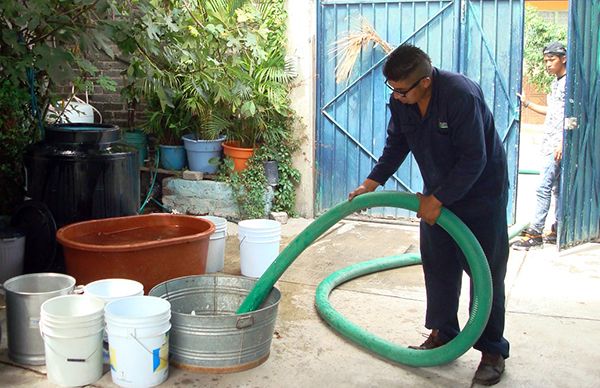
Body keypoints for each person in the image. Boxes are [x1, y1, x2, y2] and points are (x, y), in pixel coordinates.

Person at [348, 44, 509, 386]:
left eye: (401, 89)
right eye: (391, 88)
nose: (396, 95)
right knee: (438, 264)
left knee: (486, 273)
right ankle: (444, 333)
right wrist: (371, 183)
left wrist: (437, 199)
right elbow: (397, 144)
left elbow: (474, 159)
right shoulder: (401, 101)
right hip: (437, 192)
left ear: (424, 82)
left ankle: (492, 350)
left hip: (481, 193)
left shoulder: (460, 95)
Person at [513, 41, 567, 250]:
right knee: (556, 189)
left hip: (556, 145)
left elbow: (568, 116)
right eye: (545, 60)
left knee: (543, 187)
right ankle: (557, 228)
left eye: (551, 60)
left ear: (563, 59)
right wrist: (527, 104)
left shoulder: (568, 84)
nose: (547, 64)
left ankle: (535, 234)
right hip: (551, 143)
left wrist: (562, 142)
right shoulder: (556, 83)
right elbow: (553, 112)